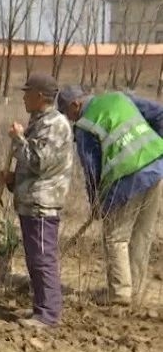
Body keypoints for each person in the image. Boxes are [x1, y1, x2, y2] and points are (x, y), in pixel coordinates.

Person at [57, 86, 163, 306]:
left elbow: (91, 170)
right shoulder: (120, 98)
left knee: (116, 237)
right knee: (141, 235)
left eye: (68, 114)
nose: (69, 120)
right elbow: (159, 113)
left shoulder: (85, 126)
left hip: (126, 179)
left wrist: (96, 203)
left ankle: (120, 294)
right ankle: (134, 290)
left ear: (75, 105)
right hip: (156, 169)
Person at [0, 73, 73, 329]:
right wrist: (11, 179)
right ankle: (40, 308)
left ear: (40, 96)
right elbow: (31, 167)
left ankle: (48, 314)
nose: (23, 97)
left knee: (43, 258)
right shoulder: (38, 122)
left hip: (43, 203)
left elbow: (40, 162)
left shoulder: (55, 124)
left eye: (27, 92)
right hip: (31, 201)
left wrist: (18, 139)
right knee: (34, 258)